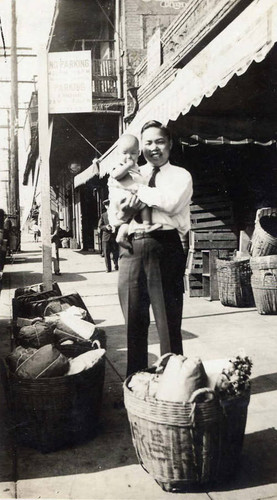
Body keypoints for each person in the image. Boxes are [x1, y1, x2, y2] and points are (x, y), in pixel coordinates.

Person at [109, 120, 193, 376]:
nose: (154, 148)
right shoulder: (133, 170)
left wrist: (136, 190)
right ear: (140, 147)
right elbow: (114, 214)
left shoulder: (181, 175)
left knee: (168, 322)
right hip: (131, 248)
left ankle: (173, 383)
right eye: (148, 143)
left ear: (170, 144)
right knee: (134, 322)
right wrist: (122, 216)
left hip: (164, 247)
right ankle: (136, 384)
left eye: (159, 142)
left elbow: (170, 204)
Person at [108, 133, 162, 248]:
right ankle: (147, 225)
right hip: (121, 199)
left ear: (139, 153)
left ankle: (121, 236)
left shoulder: (139, 169)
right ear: (118, 153)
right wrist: (127, 167)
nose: (129, 157)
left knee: (131, 219)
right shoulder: (119, 165)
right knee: (144, 205)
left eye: (132, 153)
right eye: (124, 153)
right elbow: (116, 175)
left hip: (131, 201)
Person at [98, 200, 119, 273]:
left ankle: (116, 265)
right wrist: (106, 227)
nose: (108, 207)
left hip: (114, 236)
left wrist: (115, 226)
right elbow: (100, 225)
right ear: (105, 207)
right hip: (106, 237)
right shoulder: (103, 215)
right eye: (107, 206)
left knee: (116, 252)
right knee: (106, 253)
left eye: (109, 205)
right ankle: (108, 268)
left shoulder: (116, 214)